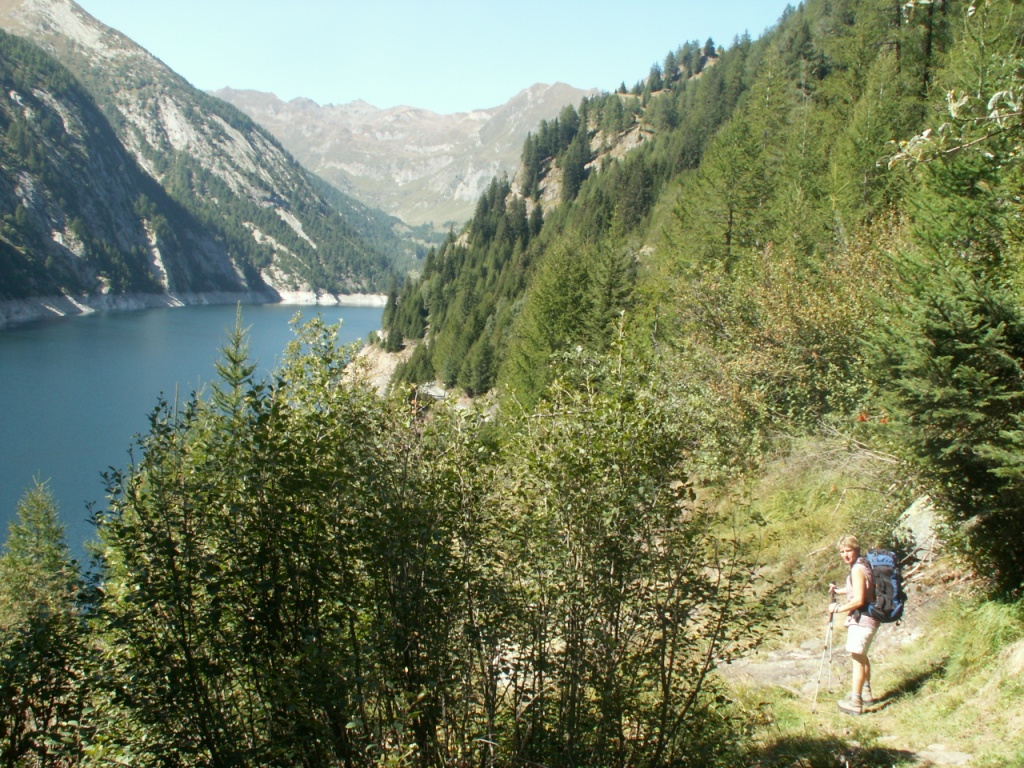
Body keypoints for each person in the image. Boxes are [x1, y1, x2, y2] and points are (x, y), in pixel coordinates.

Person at [828, 534, 879, 715]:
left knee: (857, 660)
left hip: (862, 619)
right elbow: (858, 589)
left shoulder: (857, 569)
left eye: (848, 550)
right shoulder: (863, 564)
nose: (845, 555)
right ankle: (866, 693)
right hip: (869, 618)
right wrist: (839, 591)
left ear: (856, 550)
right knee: (862, 656)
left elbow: (859, 600)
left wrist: (838, 608)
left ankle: (855, 702)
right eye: (842, 552)